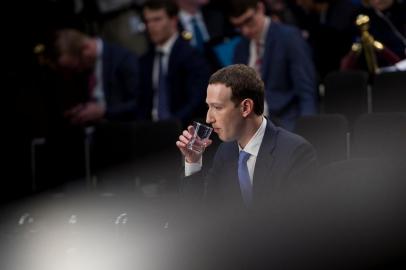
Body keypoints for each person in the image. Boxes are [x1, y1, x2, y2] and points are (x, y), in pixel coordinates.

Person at [176, 64, 318, 209]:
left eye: (217, 107)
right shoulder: (225, 152)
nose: (208, 118)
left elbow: (299, 224)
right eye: (208, 107)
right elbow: (199, 215)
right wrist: (193, 163)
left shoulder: (296, 152)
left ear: (246, 108)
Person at [230, 0, 318, 131]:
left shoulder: (289, 37)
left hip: (285, 123)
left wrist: (308, 130)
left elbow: (306, 90)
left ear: (260, 8)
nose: (245, 31)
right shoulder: (241, 47)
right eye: (239, 26)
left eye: (249, 21)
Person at [138, 0, 211, 126]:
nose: (151, 26)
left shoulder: (191, 56)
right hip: (149, 131)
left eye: (157, 19)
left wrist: (170, 125)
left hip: (181, 128)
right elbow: (141, 104)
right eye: (147, 21)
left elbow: (196, 101)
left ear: (173, 20)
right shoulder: (146, 61)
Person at [52, 28, 140, 125]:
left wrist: (104, 112)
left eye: (77, 67)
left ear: (86, 49)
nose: (78, 71)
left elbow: (140, 104)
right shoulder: (87, 67)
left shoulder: (123, 59)